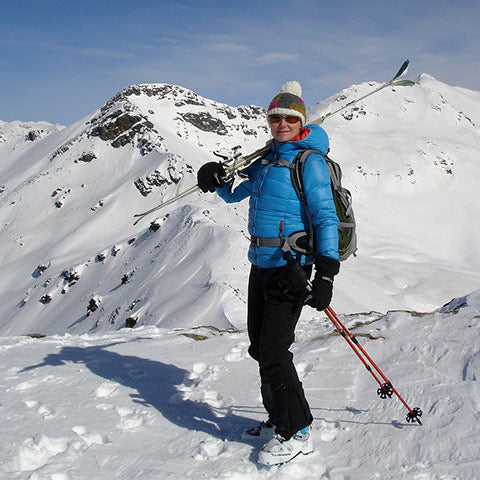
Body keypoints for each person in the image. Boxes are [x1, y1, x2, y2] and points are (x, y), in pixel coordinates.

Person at [196, 81, 340, 466]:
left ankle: (298, 431)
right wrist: (213, 178)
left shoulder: (308, 162)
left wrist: (325, 274)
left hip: (291, 268)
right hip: (260, 264)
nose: (281, 124)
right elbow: (234, 193)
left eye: (289, 118)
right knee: (260, 347)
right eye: (275, 117)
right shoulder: (265, 162)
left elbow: (326, 217)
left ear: (301, 122)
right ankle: (279, 418)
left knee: (275, 351)